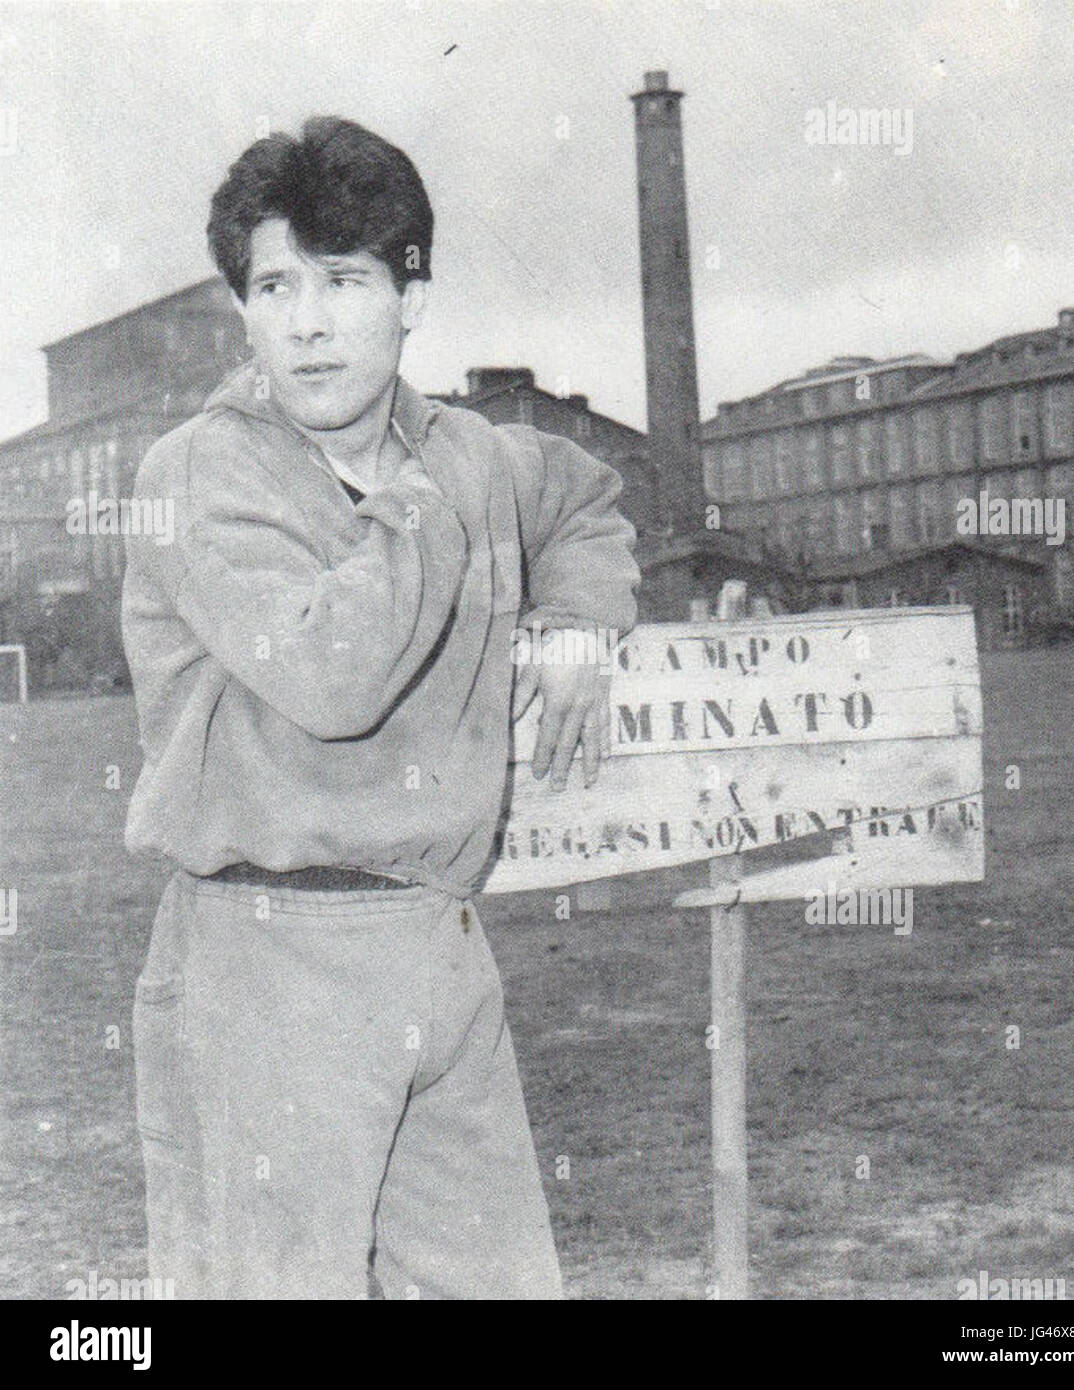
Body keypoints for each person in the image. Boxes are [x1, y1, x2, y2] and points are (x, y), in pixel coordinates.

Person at [121, 115, 639, 1300]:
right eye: (273, 285)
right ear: (242, 308)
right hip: (269, 956)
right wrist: (442, 489)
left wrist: (573, 625)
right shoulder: (200, 475)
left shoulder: (461, 450)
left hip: (441, 945)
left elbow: (588, 504)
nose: (305, 321)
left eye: (344, 280)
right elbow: (328, 676)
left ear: (412, 296)